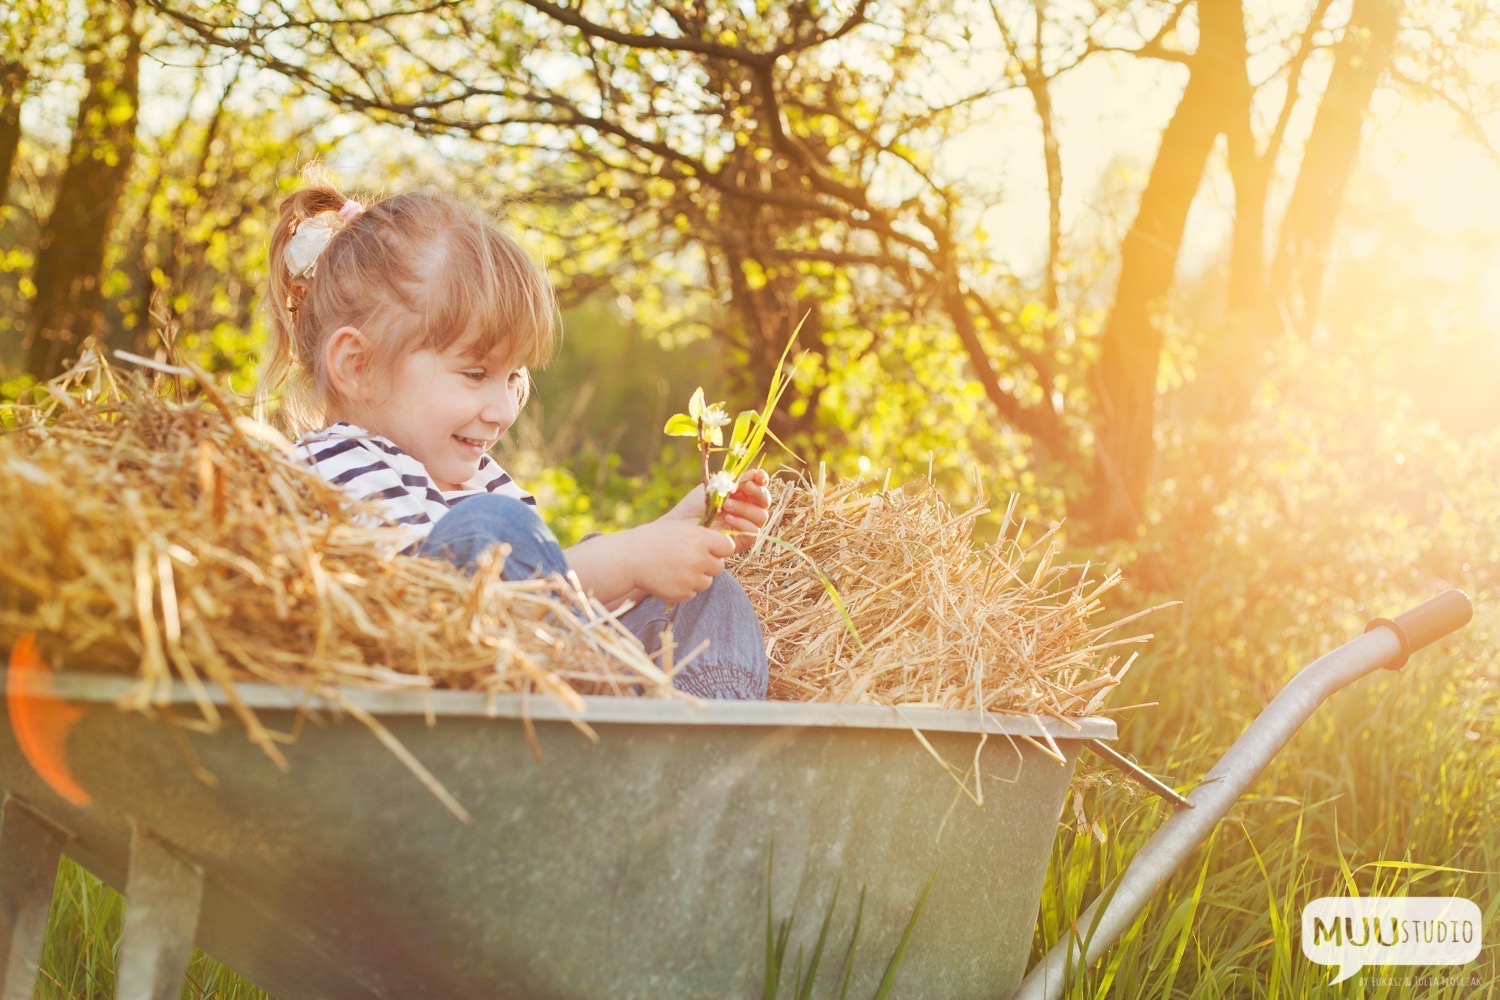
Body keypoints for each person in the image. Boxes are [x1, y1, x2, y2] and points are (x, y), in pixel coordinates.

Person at [257, 179, 771, 700]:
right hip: (445, 718)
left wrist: (665, 543)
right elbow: (430, 611)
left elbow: (557, 608)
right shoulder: (334, 465)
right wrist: (625, 559)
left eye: (513, 377)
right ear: (358, 366)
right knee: (493, 529)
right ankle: (648, 729)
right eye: (475, 373)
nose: (504, 411)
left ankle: (704, 733)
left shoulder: (477, 476)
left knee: (707, 598)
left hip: (551, 699)